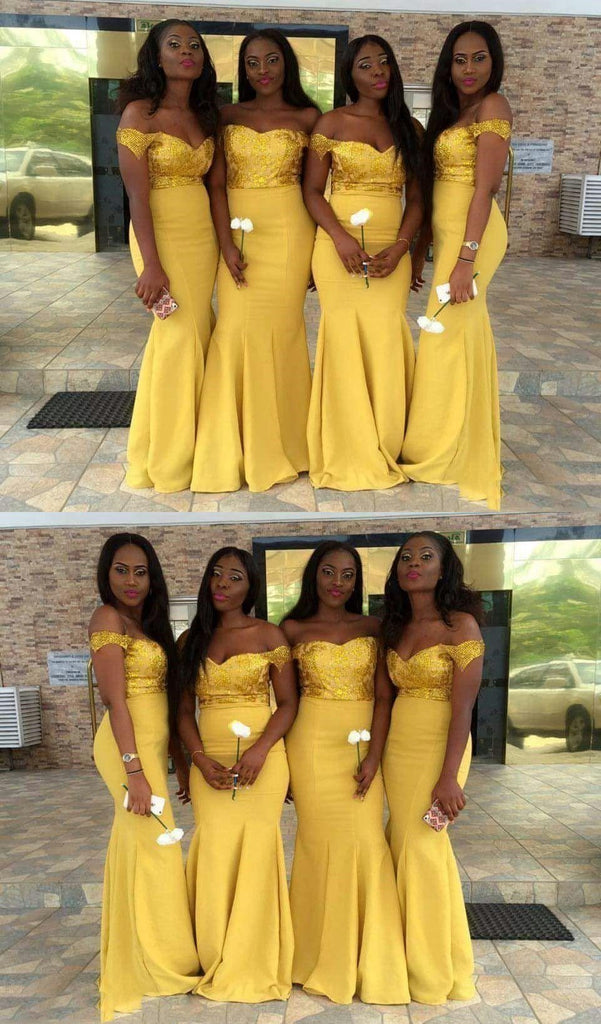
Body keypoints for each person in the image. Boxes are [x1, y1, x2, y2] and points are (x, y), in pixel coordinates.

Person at [281, 541, 409, 1004]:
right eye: (329, 572)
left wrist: (374, 755)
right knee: (317, 845)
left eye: (348, 574)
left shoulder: (374, 627)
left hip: (362, 742)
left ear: (357, 582)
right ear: (314, 575)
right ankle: (314, 956)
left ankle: (370, 958)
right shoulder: (291, 629)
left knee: (365, 840)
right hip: (311, 745)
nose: (338, 582)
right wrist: (282, 763)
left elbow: (384, 698)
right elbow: (285, 701)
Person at [191, 30, 319, 492]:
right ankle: (230, 447)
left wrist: (317, 253)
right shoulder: (226, 116)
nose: (262, 70)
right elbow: (216, 186)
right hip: (238, 230)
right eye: (252, 62)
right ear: (242, 69)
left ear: (287, 64)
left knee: (283, 333)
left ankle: (287, 445)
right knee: (235, 329)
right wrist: (226, 244)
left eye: (271, 60)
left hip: (289, 233)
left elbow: (315, 189)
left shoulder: (309, 117)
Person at [178, 547, 298, 1001]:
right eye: (217, 574)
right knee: (214, 851)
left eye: (235, 577)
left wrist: (261, 750)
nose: (223, 584)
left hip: (263, 764)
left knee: (257, 852)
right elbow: (182, 712)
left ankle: (254, 957)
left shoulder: (269, 635)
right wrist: (197, 758)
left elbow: (288, 704)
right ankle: (215, 953)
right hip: (208, 763)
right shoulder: (191, 640)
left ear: (251, 588)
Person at [302, 36, 422, 490]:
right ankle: (346, 446)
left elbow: (418, 199)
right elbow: (313, 191)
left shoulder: (409, 128)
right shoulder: (331, 122)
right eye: (365, 65)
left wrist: (403, 246)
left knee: (386, 339)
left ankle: (385, 442)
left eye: (383, 62)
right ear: (349, 75)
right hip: (337, 251)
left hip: (393, 250)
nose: (377, 71)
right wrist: (339, 238)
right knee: (343, 340)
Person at [402, 21, 513, 509]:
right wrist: (420, 250)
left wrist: (466, 259)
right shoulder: (452, 114)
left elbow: (484, 189)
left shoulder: (494, 106)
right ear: (448, 67)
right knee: (452, 336)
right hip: (451, 236)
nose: (469, 69)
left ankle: (445, 451)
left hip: (476, 238)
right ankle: (453, 437)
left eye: (479, 58)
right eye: (460, 59)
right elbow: (432, 192)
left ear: (494, 62)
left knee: (445, 336)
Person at [89, 533, 199, 1022]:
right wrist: (135, 771)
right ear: (106, 573)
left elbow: (168, 704)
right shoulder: (107, 618)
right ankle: (157, 962)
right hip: (124, 750)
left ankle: (147, 948)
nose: (131, 581)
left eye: (141, 571)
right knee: (156, 847)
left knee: (146, 848)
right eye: (121, 569)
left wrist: (180, 761)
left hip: (150, 748)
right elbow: (116, 701)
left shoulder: (149, 627)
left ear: (152, 578)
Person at [381, 532, 484, 1003]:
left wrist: (448, 777)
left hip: (443, 750)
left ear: (444, 569)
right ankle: (400, 956)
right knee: (403, 843)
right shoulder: (395, 626)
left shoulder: (461, 625)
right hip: (399, 751)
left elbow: (464, 709)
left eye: (426, 557)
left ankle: (435, 969)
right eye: (406, 557)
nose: (414, 564)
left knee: (424, 846)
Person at [117, 21, 219, 492]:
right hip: (158, 238)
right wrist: (152, 265)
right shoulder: (139, 113)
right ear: (156, 57)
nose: (186, 51)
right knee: (176, 335)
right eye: (174, 45)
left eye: (194, 45)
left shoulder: (205, 115)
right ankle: (165, 457)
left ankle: (199, 444)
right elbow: (137, 197)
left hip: (201, 239)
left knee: (197, 332)